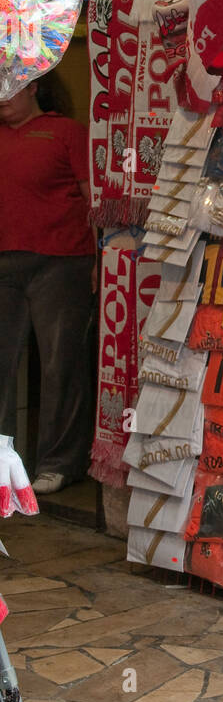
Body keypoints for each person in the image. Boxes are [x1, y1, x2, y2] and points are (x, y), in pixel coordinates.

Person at [0, 74, 96, 494]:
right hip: (3, 261)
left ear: (32, 88)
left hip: (62, 261)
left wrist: (100, 258)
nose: (2, 97)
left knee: (62, 363)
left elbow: (90, 196)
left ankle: (59, 462)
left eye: (9, 88)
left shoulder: (66, 132)